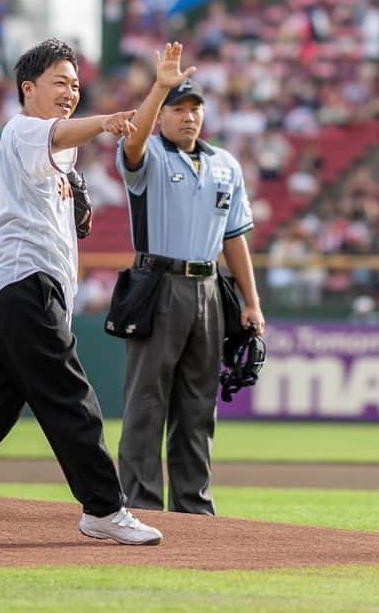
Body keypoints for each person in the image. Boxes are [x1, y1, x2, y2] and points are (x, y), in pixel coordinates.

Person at [0, 38, 162, 545]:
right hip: (24, 282)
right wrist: (105, 120)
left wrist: (154, 93)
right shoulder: (23, 129)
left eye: (77, 85)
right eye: (60, 82)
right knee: (70, 396)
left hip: (6, 288)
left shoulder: (58, 150)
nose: (71, 91)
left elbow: (71, 149)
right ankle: (104, 509)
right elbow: (62, 132)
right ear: (28, 87)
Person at [115, 42, 264, 515]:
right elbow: (132, 141)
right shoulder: (150, 155)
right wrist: (159, 87)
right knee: (147, 401)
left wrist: (251, 301)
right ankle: (138, 503)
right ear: (161, 116)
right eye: (178, 109)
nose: (188, 117)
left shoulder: (226, 164)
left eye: (194, 109)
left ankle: (193, 506)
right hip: (158, 281)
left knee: (199, 404)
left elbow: (235, 237)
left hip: (208, 286)